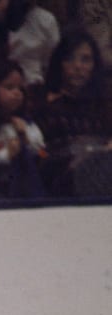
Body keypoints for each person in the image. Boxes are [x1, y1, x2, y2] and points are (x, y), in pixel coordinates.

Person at [36, 26, 112, 196]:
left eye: (85, 60)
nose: (78, 66)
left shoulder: (103, 108)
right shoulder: (43, 105)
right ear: (59, 63)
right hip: (60, 190)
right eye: (70, 59)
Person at [0, 56, 47, 196]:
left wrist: (26, 141)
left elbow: (44, 159)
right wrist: (5, 155)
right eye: (9, 87)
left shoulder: (27, 124)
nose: (17, 93)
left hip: (27, 196)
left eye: (20, 88)